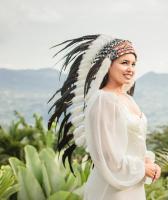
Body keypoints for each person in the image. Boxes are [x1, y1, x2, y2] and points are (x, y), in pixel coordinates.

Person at [48, 34, 161, 200]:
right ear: (107, 65)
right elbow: (108, 155)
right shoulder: (104, 100)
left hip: (132, 186)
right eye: (124, 63)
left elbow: (133, 143)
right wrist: (141, 169)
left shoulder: (128, 99)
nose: (130, 68)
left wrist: (147, 163)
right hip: (111, 190)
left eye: (133, 64)